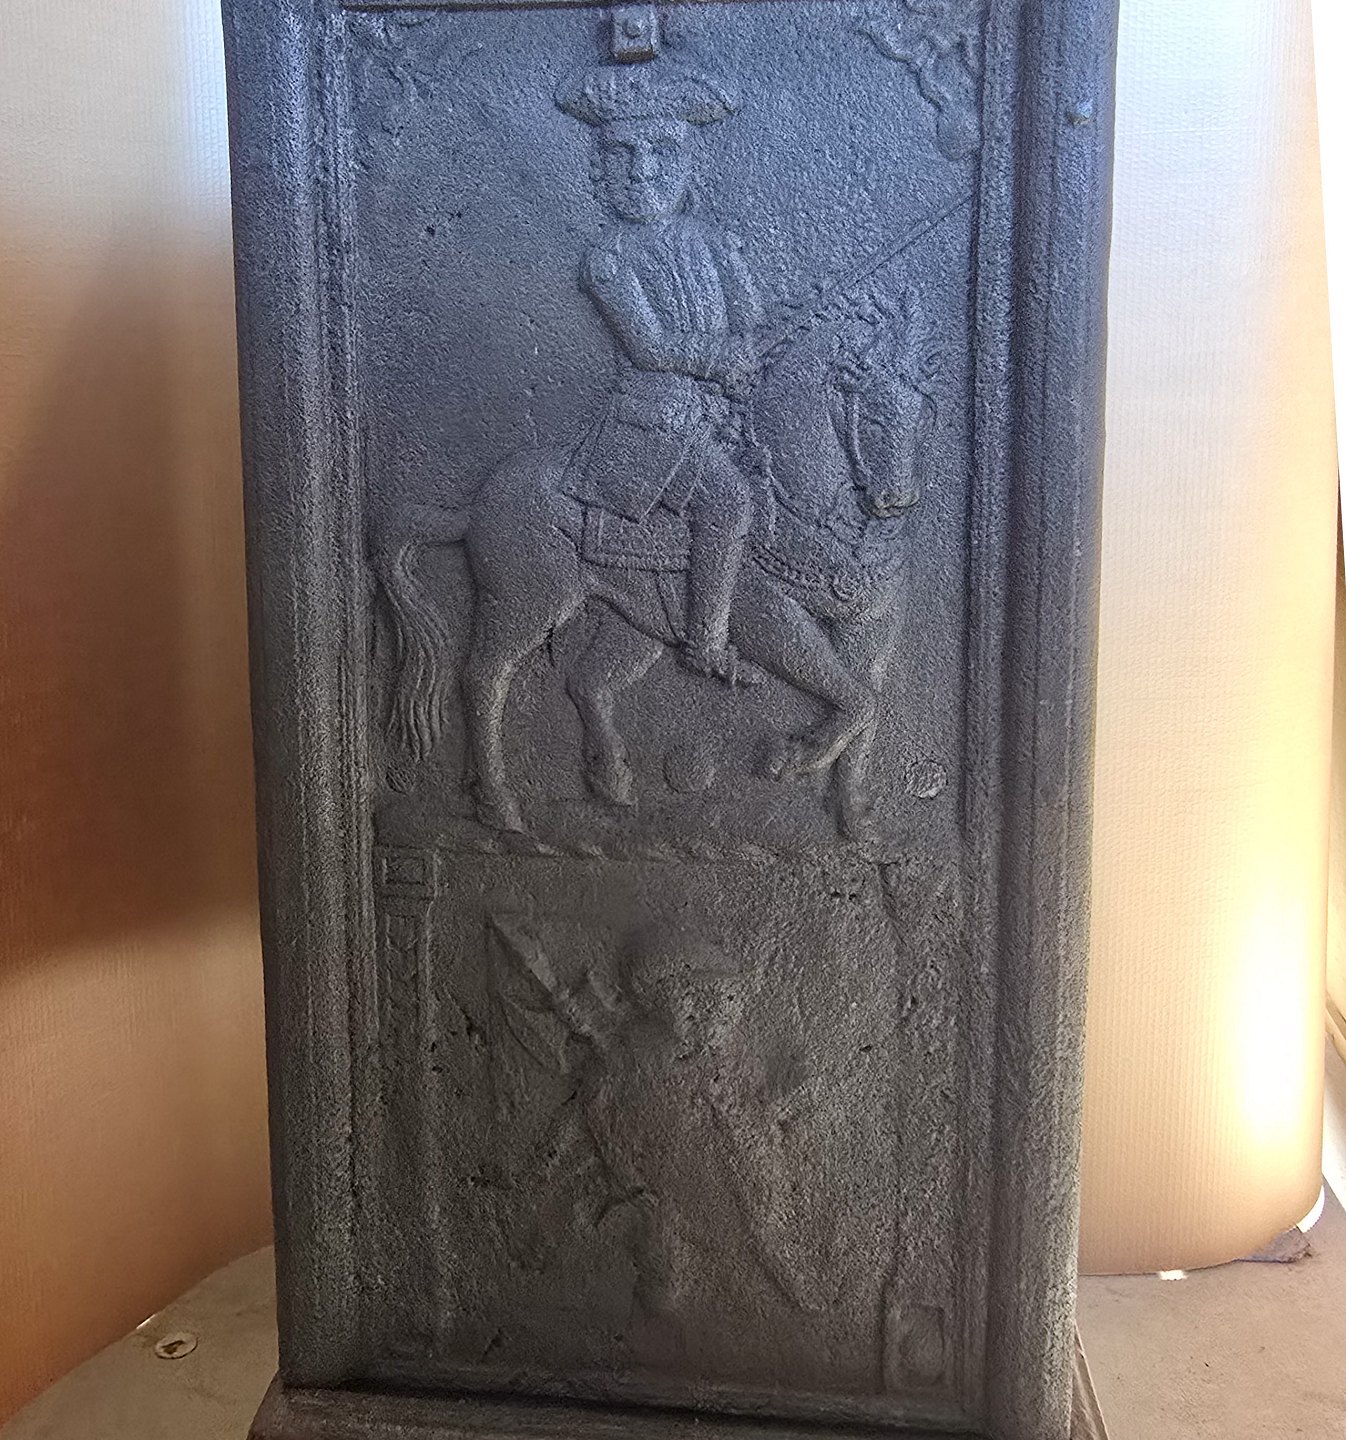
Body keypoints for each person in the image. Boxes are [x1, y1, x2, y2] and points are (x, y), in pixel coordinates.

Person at [557, 57, 762, 684]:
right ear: (600, 169)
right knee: (729, 499)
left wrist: (739, 279)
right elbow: (649, 348)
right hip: (652, 425)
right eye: (622, 155)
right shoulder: (608, 258)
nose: (642, 170)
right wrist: (720, 357)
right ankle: (706, 642)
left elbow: (748, 318)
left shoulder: (710, 242)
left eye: (661, 152)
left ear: (689, 164)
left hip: (716, 415)